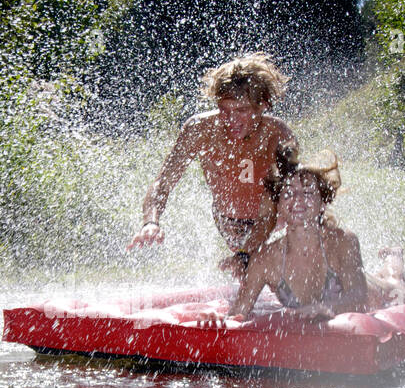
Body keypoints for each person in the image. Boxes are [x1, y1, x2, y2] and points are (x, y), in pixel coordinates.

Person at [126, 53, 298, 278]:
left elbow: (298, 191)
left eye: (241, 110)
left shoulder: (277, 134)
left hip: (272, 220)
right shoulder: (200, 130)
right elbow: (163, 182)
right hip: (229, 222)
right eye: (224, 110)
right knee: (247, 278)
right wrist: (150, 222)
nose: (231, 120)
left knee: (277, 278)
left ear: (262, 104)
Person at [198, 148, 405, 327]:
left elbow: (358, 297)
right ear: (278, 204)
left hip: (381, 295)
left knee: (393, 280)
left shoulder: (342, 241)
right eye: (289, 193)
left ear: (322, 202)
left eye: (308, 192)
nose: (298, 200)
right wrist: (220, 321)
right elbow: (239, 311)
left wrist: (328, 308)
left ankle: (394, 256)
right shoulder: (266, 259)